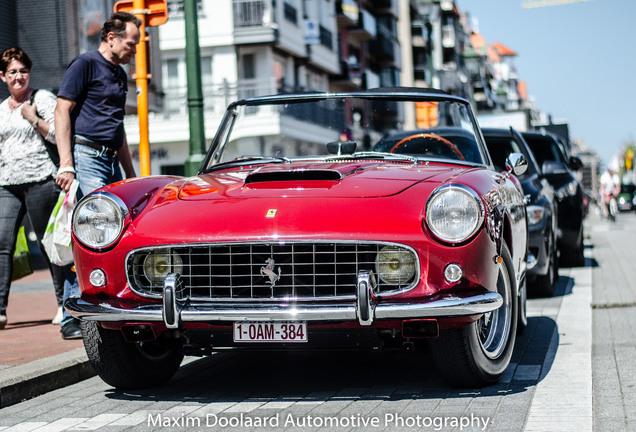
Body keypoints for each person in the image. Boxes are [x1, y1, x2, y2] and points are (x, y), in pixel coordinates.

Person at [54, 11, 140, 339]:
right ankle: (70, 315)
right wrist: (67, 163)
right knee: (95, 229)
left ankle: (110, 302)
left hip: (110, 159)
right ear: (111, 38)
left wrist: (131, 175)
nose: (135, 50)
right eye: (131, 43)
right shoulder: (85, 65)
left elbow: (117, 128)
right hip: (86, 155)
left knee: (116, 231)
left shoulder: (120, 76)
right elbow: (63, 110)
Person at [0, 47, 69, 330]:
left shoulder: (41, 98)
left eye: (23, 71)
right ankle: (0, 311)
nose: (19, 77)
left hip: (41, 179)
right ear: (3, 76)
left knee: (48, 245)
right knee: (2, 243)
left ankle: (64, 304)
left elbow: (59, 134)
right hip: (7, 183)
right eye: (13, 72)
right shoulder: (2, 109)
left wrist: (33, 118)